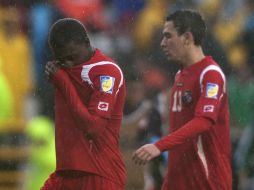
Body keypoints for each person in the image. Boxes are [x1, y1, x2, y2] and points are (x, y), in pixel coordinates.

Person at [132, 10, 232, 190]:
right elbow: (180, 137)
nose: (162, 44)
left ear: (187, 37)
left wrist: (159, 146)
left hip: (207, 181)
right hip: (179, 181)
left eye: (168, 36)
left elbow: (203, 121)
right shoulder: (180, 76)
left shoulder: (210, 74)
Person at [42, 18, 126, 190]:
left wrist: (62, 81)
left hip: (99, 174)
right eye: (62, 59)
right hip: (65, 173)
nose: (68, 63)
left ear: (87, 42)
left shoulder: (106, 71)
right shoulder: (62, 68)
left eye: (72, 57)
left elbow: (93, 127)